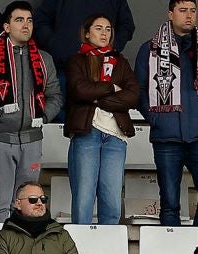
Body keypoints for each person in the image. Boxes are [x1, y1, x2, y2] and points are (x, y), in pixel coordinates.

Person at [0, 2, 64, 225]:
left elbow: (55, 96)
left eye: (29, 20)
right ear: (7, 26)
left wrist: (44, 116)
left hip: (32, 141)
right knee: (0, 204)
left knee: (29, 203)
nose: (26, 25)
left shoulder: (44, 59)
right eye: (19, 20)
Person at [136, 0, 198, 234]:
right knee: (169, 202)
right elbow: (140, 90)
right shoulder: (150, 49)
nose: (189, 16)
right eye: (183, 10)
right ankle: (173, 253)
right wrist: (155, 118)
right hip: (166, 137)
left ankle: (196, 247)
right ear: (170, 13)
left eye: (193, 11)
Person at [62, 15, 140, 227]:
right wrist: (112, 88)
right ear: (87, 33)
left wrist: (99, 98)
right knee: (84, 199)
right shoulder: (76, 60)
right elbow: (80, 89)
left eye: (108, 29)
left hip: (115, 136)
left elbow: (133, 95)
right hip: (87, 132)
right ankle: (82, 251)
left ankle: (108, 252)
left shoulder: (120, 62)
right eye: (98, 28)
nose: (104, 33)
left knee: (112, 200)